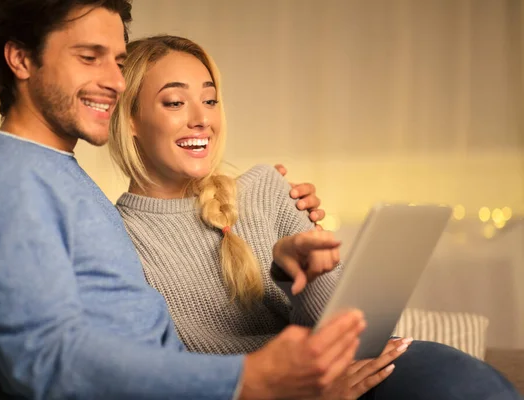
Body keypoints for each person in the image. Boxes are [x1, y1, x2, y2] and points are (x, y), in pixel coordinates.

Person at [0, 1, 368, 399]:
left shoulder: (55, 174)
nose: (115, 82)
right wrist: (248, 380)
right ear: (21, 59)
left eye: (118, 61)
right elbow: (47, 364)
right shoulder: (1, 177)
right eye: (88, 57)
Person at [109, 34, 523, 400]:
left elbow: (349, 333)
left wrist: (303, 276)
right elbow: (161, 375)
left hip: (371, 374)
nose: (202, 118)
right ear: (131, 119)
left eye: (211, 99)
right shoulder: (115, 238)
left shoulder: (266, 187)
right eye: (176, 102)